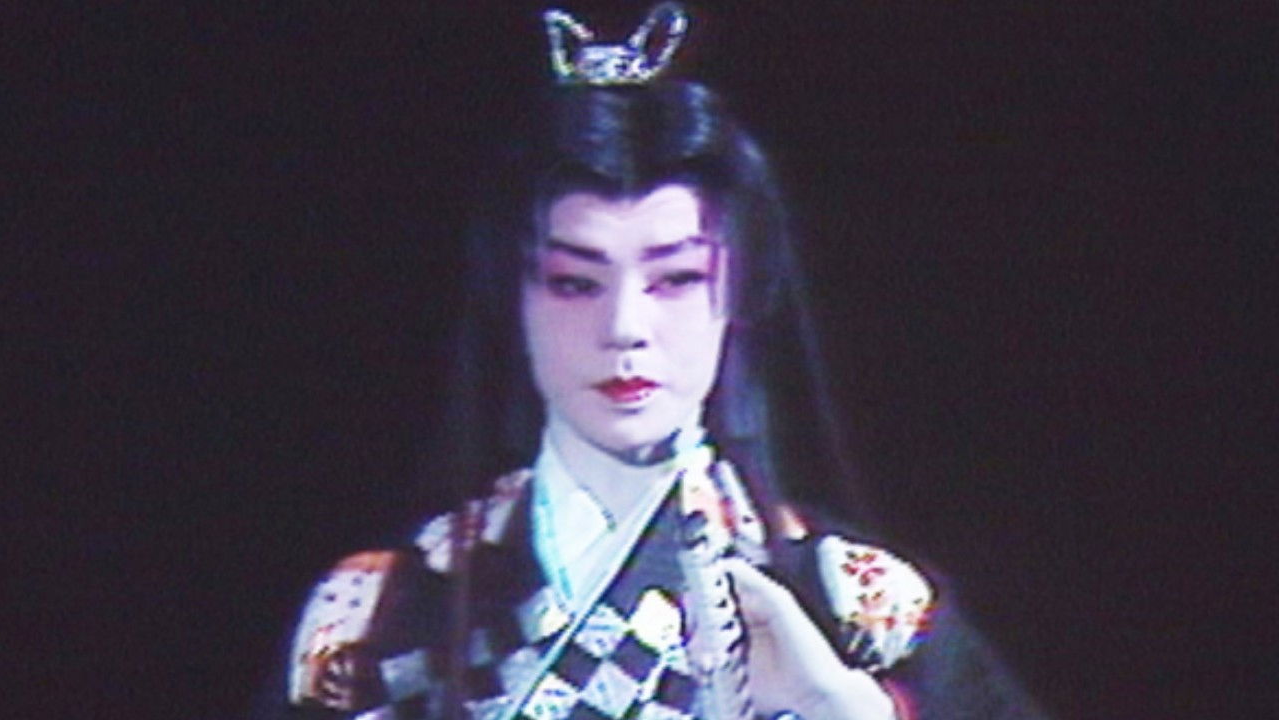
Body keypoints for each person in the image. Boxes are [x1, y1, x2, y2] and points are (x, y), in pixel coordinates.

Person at [260, 5, 1047, 719]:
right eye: (575, 283)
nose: (624, 329)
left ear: (737, 291)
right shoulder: (379, 615)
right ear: (515, 297)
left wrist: (841, 708)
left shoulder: (855, 605)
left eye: (675, 279)